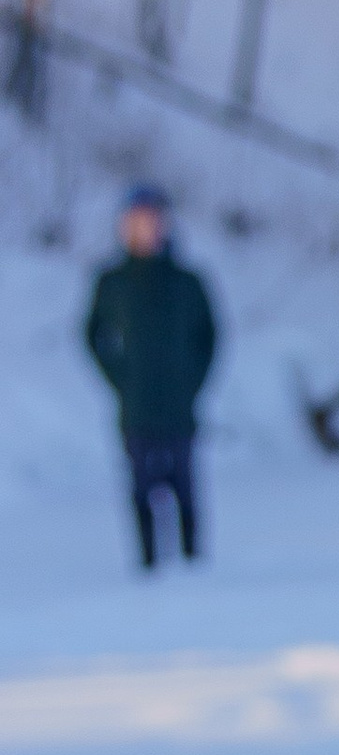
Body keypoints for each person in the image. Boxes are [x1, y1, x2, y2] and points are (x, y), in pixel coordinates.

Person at [84, 183, 218, 569]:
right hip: (137, 404)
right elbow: (92, 335)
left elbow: (209, 337)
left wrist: (192, 381)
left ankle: (194, 564)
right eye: (137, 221)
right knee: (141, 488)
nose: (145, 228)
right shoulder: (113, 282)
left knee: (185, 487)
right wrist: (120, 378)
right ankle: (147, 567)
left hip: (178, 404)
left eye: (152, 220)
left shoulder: (187, 282)